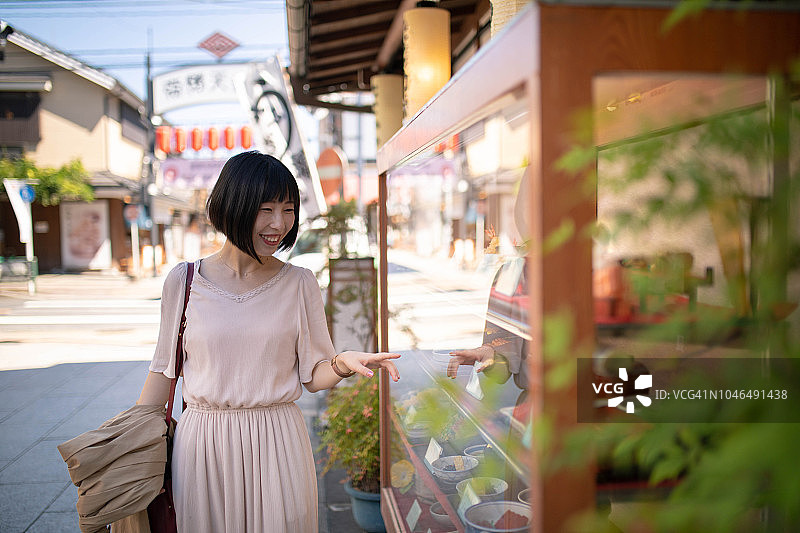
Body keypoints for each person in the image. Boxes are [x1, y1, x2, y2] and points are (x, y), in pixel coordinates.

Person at [136, 151, 400, 533]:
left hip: (277, 442)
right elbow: (163, 371)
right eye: (266, 209)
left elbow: (313, 375)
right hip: (203, 448)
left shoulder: (299, 282)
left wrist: (342, 364)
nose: (279, 224)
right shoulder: (184, 280)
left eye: (288, 209)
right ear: (232, 206)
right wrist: (126, 443)